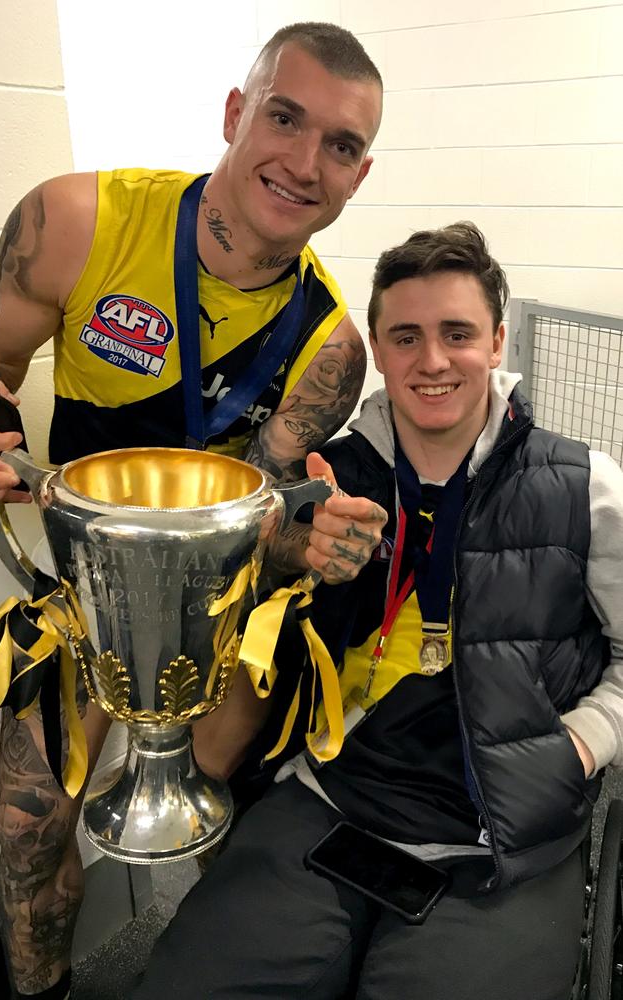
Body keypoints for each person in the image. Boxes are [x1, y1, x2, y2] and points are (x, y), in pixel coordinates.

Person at [0, 22, 387, 999]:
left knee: (218, 819)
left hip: (210, 608)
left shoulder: (330, 352)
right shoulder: (77, 221)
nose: (301, 162)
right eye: (283, 119)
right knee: (26, 832)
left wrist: (313, 541)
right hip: (75, 593)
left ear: (357, 175)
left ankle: (224, 979)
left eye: (338, 145)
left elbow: (263, 523)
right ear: (236, 115)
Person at [133, 222, 623, 1000]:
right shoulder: (326, 477)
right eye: (406, 337)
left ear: (497, 342)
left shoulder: (585, 487)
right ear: (378, 345)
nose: (431, 361)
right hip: (329, 798)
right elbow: (230, 615)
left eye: (456, 333)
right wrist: (292, 557)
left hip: (500, 832)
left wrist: (577, 747)